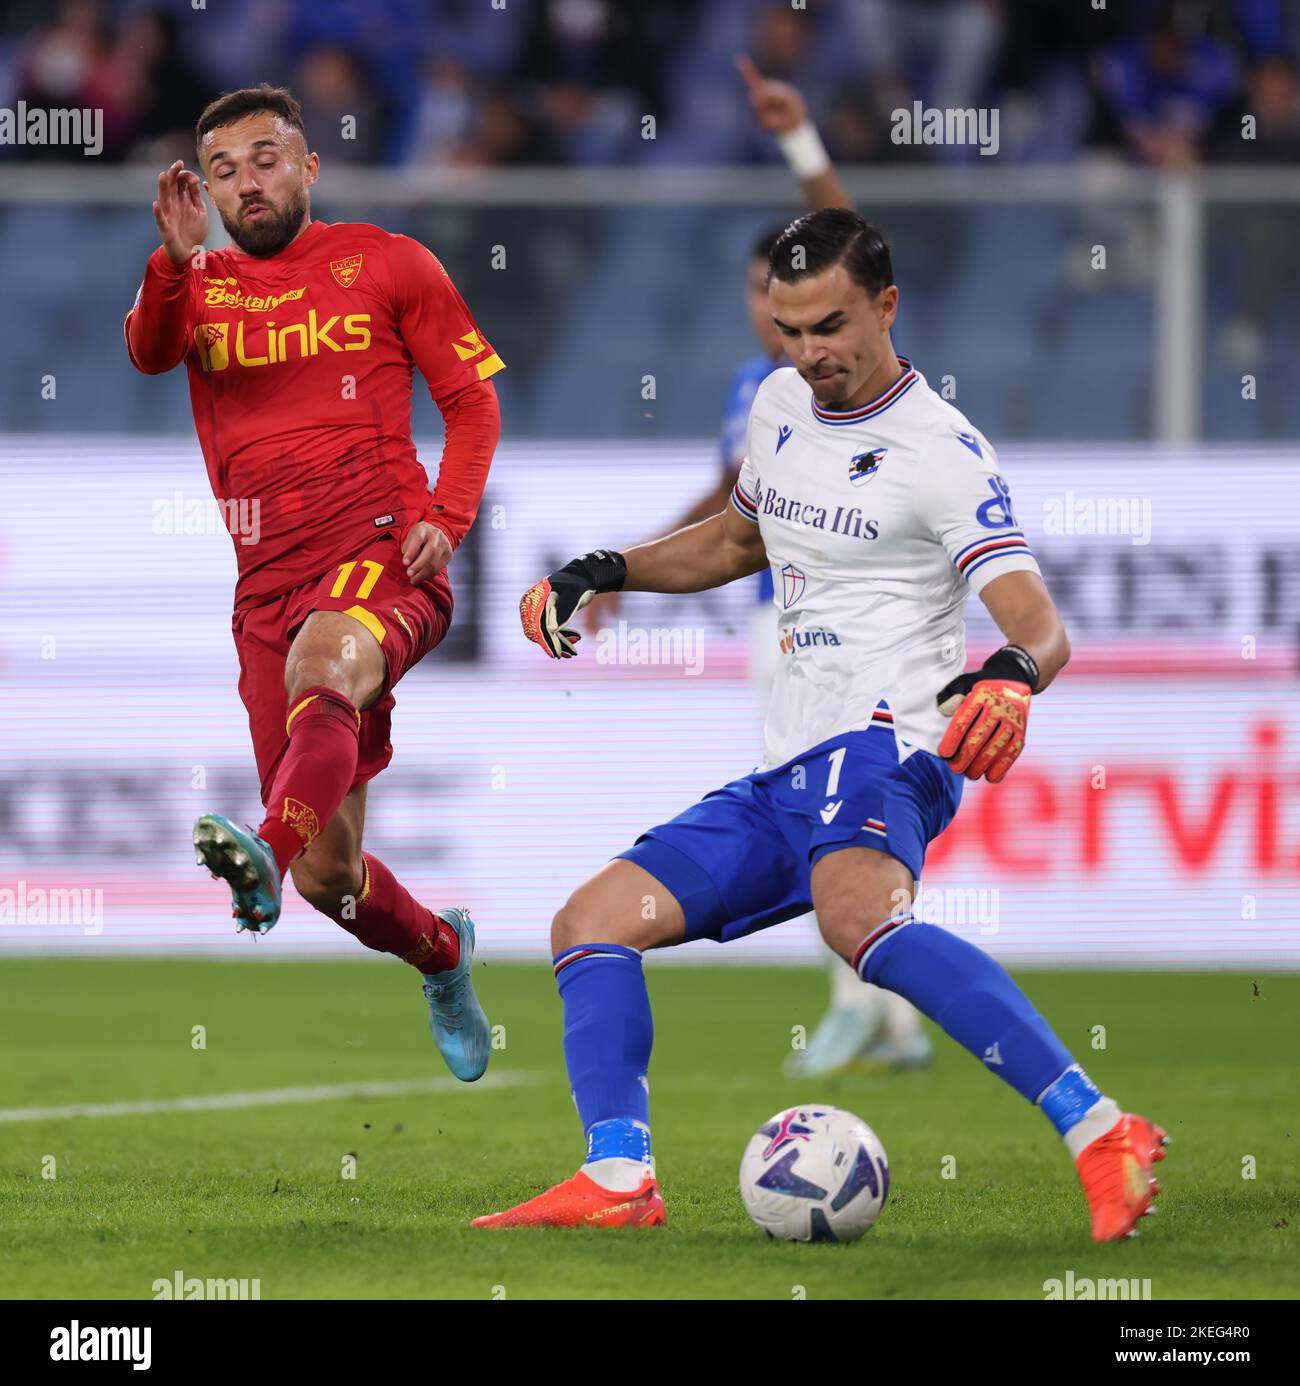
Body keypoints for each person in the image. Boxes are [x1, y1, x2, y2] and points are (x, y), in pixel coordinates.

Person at [477, 208, 1166, 1238]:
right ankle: (619, 1176)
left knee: (855, 921)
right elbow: (734, 543)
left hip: (893, 746)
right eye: (789, 328)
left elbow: (1040, 626)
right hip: (788, 764)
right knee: (588, 925)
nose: (809, 353)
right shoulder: (778, 406)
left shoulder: (942, 451)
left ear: (887, 306)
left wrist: (1011, 677)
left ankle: (1100, 1127)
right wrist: (606, 567)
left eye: (830, 327)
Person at [124, 84, 502, 1082]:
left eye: (265, 158)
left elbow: (472, 404)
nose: (247, 182)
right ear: (203, 190)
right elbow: (148, 352)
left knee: (326, 660)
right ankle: (443, 950)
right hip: (264, 589)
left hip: (384, 550)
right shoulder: (192, 282)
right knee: (331, 882)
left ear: (307, 168)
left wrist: (445, 517)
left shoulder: (388, 261)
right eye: (224, 170)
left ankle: (257, 845)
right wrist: (169, 265)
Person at [585, 55, 932, 1079]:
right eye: (752, 289)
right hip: (780, 617)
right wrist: (619, 569)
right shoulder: (760, 387)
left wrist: (799, 146)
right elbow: (732, 507)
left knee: (841, 806)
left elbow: (849, 237)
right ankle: (891, 1016)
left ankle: (854, 1000)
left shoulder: (850, 369)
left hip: (860, 627)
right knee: (837, 807)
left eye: (775, 288)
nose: (764, 307)